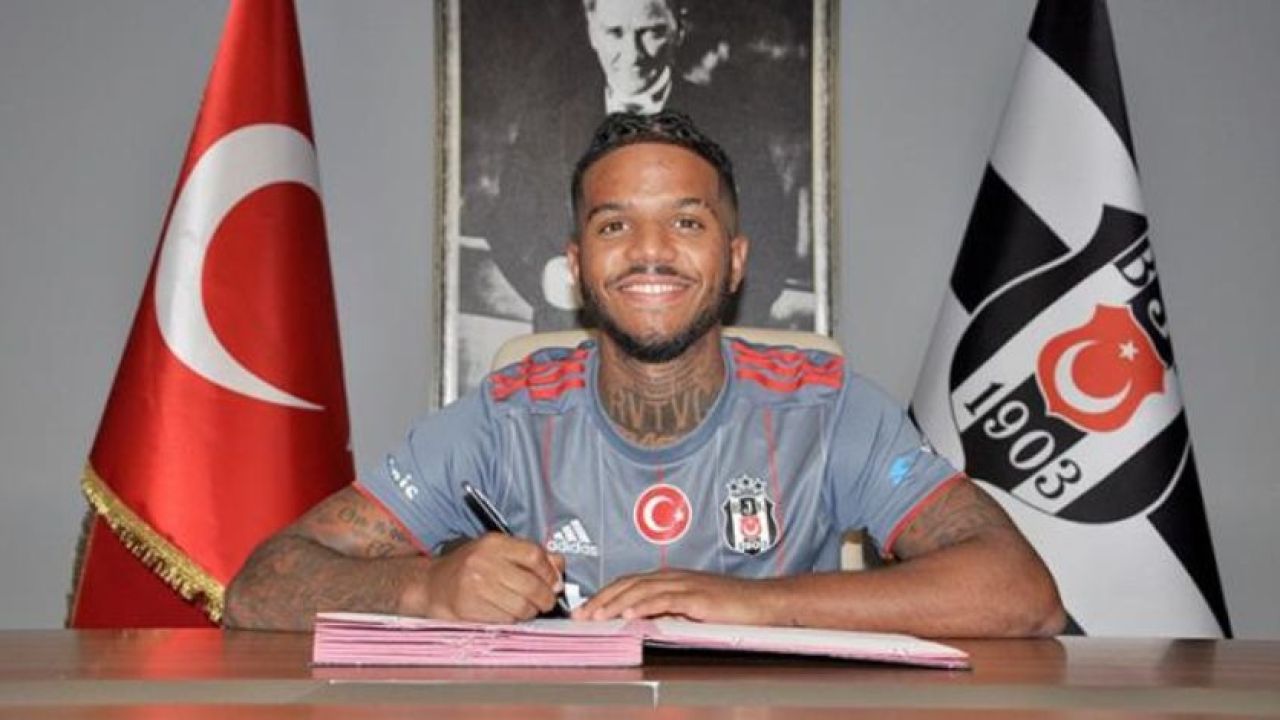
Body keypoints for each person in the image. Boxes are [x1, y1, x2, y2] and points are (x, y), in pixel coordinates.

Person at [225, 111, 1065, 636]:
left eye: (687, 223)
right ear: (577, 265)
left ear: (735, 260)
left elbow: (1021, 593)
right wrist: (427, 588)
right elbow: (259, 589)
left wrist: (749, 604)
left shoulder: (825, 406)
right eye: (615, 225)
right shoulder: (502, 419)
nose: (651, 252)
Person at [462, 0, 808, 338]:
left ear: (678, 30)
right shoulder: (548, 127)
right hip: (572, 346)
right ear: (592, 31)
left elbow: (772, 242)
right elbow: (508, 224)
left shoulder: (734, 127)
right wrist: (546, 277)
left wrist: (715, 329)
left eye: (650, 32)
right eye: (615, 32)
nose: (633, 53)